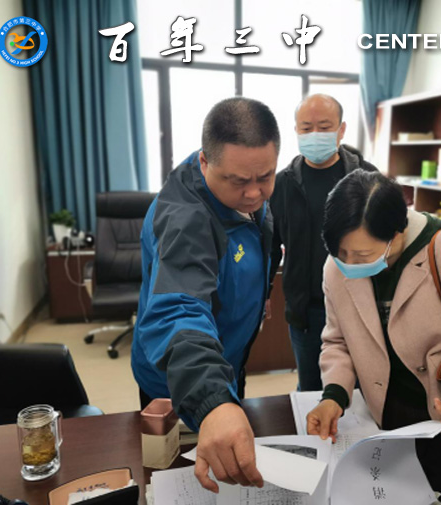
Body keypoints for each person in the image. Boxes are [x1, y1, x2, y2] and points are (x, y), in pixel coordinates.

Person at [306, 170, 441, 504]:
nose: (349, 264)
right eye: (340, 253)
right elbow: (338, 340)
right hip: (385, 418)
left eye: (362, 256)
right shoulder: (337, 267)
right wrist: (334, 395)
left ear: (396, 233)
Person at [131, 97, 280, 493]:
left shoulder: (245, 183)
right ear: (204, 162)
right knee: (181, 479)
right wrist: (212, 401)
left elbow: (262, 237)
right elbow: (178, 311)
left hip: (226, 360)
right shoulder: (186, 220)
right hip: (180, 376)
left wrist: (261, 291)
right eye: (239, 181)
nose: (255, 193)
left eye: (265, 177)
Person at [269, 94, 377, 391]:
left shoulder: (368, 179)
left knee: (365, 390)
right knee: (312, 390)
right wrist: (263, 292)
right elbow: (269, 245)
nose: (314, 134)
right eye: (306, 128)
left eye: (324, 127)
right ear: (296, 130)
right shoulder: (282, 184)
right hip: (307, 312)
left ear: (341, 130)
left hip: (361, 306)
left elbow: (389, 240)